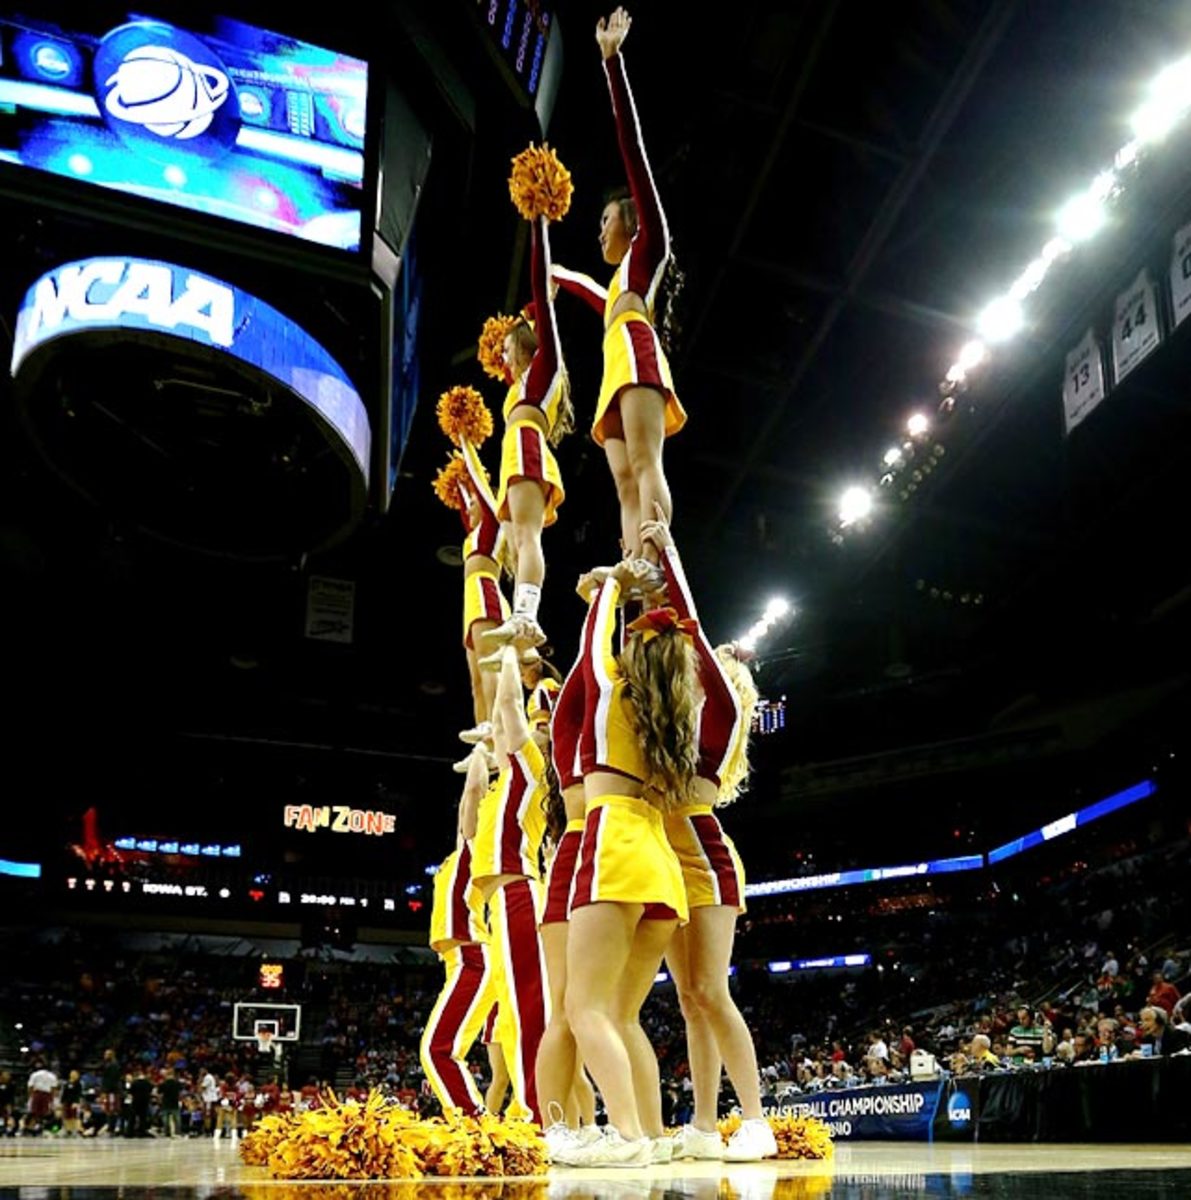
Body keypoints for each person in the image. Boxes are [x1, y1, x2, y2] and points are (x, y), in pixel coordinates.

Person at [638, 508, 777, 1162]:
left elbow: (689, 629)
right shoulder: (679, 726)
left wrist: (667, 551)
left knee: (711, 993)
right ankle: (699, 1122)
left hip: (701, 854)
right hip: (662, 854)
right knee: (688, 999)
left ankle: (754, 1120)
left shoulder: (719, 712)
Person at [563, 560, 698, 1167]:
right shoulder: (665, 716)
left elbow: (591, 650)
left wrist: (608, 586)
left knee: (584, 1008)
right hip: (659, 861)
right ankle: (650, 1134)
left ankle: (626, 1137)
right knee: (623, 1014)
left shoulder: (613, 696)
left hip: (611, 840)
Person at [553, 7, 686, 569]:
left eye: (605, 218)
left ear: (630, 219)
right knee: (625, 479)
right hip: (614, 356)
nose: (599, 227)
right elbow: (587, 289)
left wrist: (613, 64)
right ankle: (635, 561)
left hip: (635, 348)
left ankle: (657, 556)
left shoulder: (649, 244)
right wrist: (551, 272)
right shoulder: (616, 284)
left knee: (645, 460)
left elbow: (632, 147)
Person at [479, 188, 574, 662]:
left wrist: (538, 224)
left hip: (529, 447)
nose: (501, 356)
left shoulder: (544, 370)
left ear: (524, 348)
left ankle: (528, 616)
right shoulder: (518, 387)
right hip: (515, 451)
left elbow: (540, 291)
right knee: (517, 540)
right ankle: (520, 627)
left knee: (528, 537)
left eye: (506, 349)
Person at [467, 643, 557, 1123]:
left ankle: (539, 1116)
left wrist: (507, 654)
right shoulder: (509, 778)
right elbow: (497, 727)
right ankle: (539, 1113)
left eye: (539, 730)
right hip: (504, 900)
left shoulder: (534, 769)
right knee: (519, 1010)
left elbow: (506, 711)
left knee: (528, 1009)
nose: (524, 734)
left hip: (520, 893)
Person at [535, 589, 605, 1164]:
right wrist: (604, 601)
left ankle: (581, 1124)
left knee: (593, 1010)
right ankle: (554, 1125)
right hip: (578, 858)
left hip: (606, 855)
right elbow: (590, 667)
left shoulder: (609, 729)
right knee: (566, 1010)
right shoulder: (569, 730)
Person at [419, 779, 498, 1116]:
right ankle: (474, 1120)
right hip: (459, 960)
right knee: (442, 1049)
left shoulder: (475, 851)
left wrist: (481, 753)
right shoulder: (456, 860)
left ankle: (472, 1123)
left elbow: (474, 794)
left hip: (474, 957)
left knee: (438, 1049)